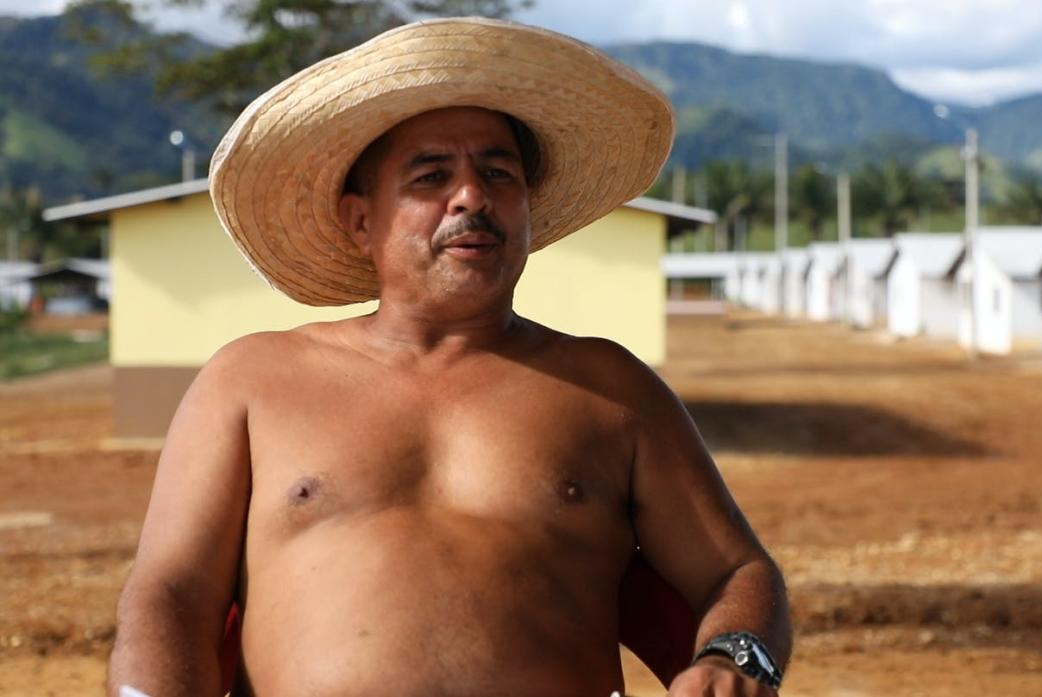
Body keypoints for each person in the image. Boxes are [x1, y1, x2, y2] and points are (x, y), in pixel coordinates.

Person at [107, 17, 791, 697]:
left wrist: (736, 658)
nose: (472, 196)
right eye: (431, 175)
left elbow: (737, 570)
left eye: (499, 172)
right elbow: (170, 591)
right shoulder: (251, 381)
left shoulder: (611, 390)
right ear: (360, 220)